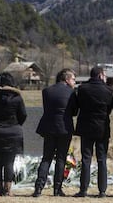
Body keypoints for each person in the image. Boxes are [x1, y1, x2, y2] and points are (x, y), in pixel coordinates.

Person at [32, 68, 77, 197]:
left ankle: (39, 187)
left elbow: (47, 109)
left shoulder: (47, 91)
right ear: (67, 79)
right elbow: (74, 112)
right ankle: (57, 189)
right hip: (64, 128)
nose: (74, 82)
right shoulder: (71, 93)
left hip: (49, 127)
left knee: (46, 158)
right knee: (61, 158)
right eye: (73, 79)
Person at [0, 72, 27, 196]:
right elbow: (23, 115)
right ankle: (7, 189)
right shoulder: (17, 98)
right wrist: (16, 124)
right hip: (13, 132)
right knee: (9, 162)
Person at [74, 66, 113, 198]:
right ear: (101, 75)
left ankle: (83, 189)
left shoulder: (82, 89)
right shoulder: (108, 90)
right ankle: (102, 190)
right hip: (102, 127)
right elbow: (109, 109)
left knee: (86, 158)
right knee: (102, 159)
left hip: (86, 127)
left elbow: (78, 105)